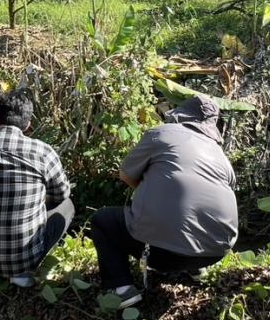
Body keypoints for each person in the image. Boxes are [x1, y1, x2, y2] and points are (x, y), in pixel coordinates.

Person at [89, 94, 238, 308]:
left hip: (165, 253)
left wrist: (152, 194)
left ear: (182, 115)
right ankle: (197, 270)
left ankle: (120, 289)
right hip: (215, 253)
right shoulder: (221, 156)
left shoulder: (163, 132)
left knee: (103, 221)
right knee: (188, 211)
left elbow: (125, 175)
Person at [0, 91, 73, 287]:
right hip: (24, 258)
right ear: (28, 124)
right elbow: (61, 194)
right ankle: (22, 273)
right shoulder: (43, 152)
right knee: (67, 206)